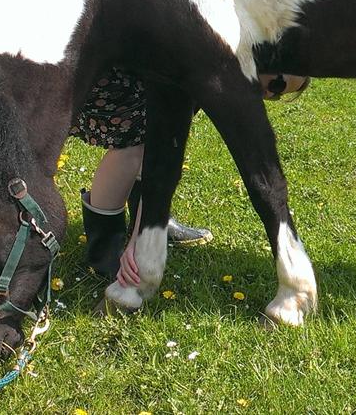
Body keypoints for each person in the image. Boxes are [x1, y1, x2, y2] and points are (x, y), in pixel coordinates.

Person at [73, 68, 310, 279]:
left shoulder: (223, 75)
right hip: (111, 69)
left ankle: (148, 226)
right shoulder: (212, 61)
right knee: (133, 145)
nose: (270, 95)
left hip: (145, 75)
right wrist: (143, 240)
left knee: (153, 142)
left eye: (278, 95)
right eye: (277, 84)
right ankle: (103, 255)